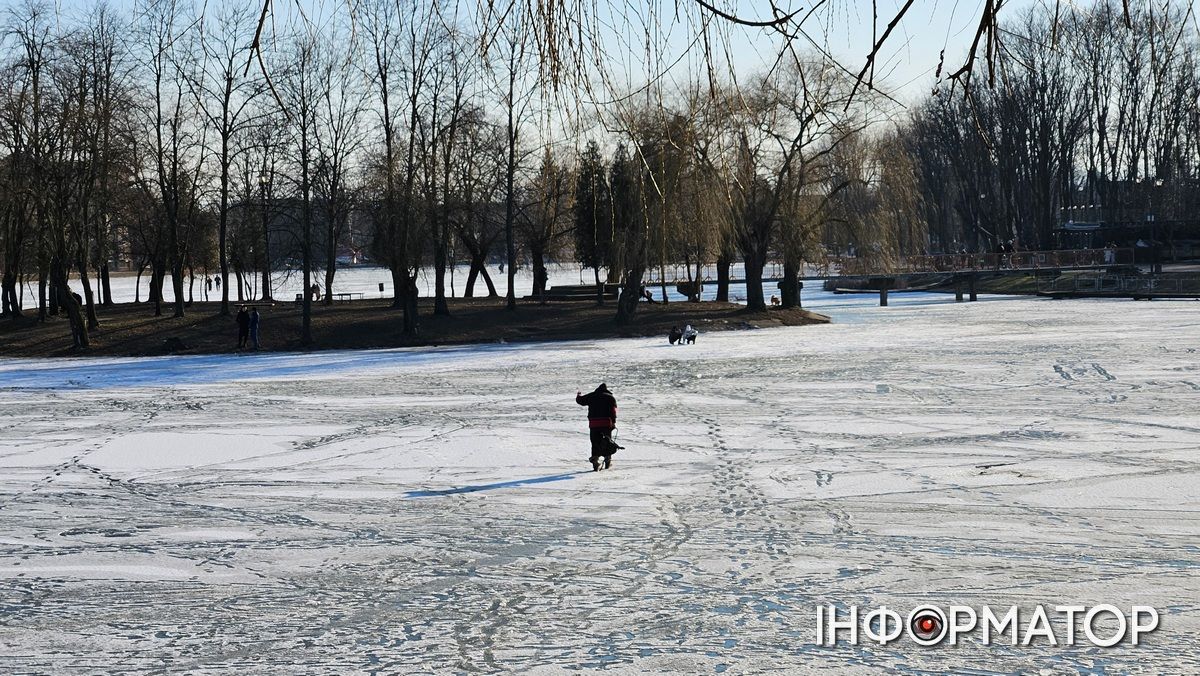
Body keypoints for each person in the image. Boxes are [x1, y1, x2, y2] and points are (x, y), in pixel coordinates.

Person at [575, 383, 622, 471]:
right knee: (607, 442)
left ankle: (595, 461)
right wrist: (613, 423)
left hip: (594, 423)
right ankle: (608, 460)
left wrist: (579, 394)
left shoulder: (592, 396)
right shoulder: (610, 397)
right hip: (606, 423)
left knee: (594, 442)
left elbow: (580, 401)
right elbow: (613, 412)